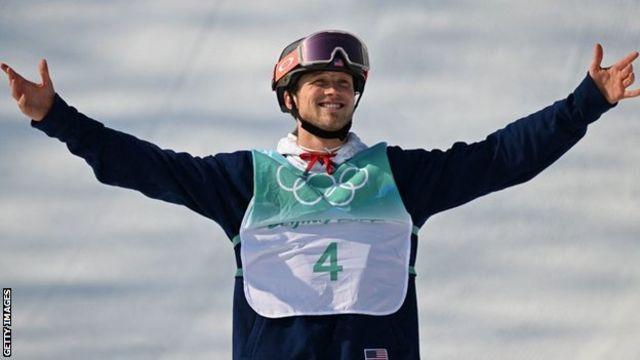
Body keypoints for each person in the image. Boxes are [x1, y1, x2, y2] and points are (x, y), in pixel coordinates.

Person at [2, 30, 639, 360]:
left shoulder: (396, 176)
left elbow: (501, 159)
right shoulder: (247, 180)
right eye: (318, 82)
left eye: (343, 81)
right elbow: (144, 166)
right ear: (290, 97)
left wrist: (587, 102)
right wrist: (56, 116)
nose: (333, 90)